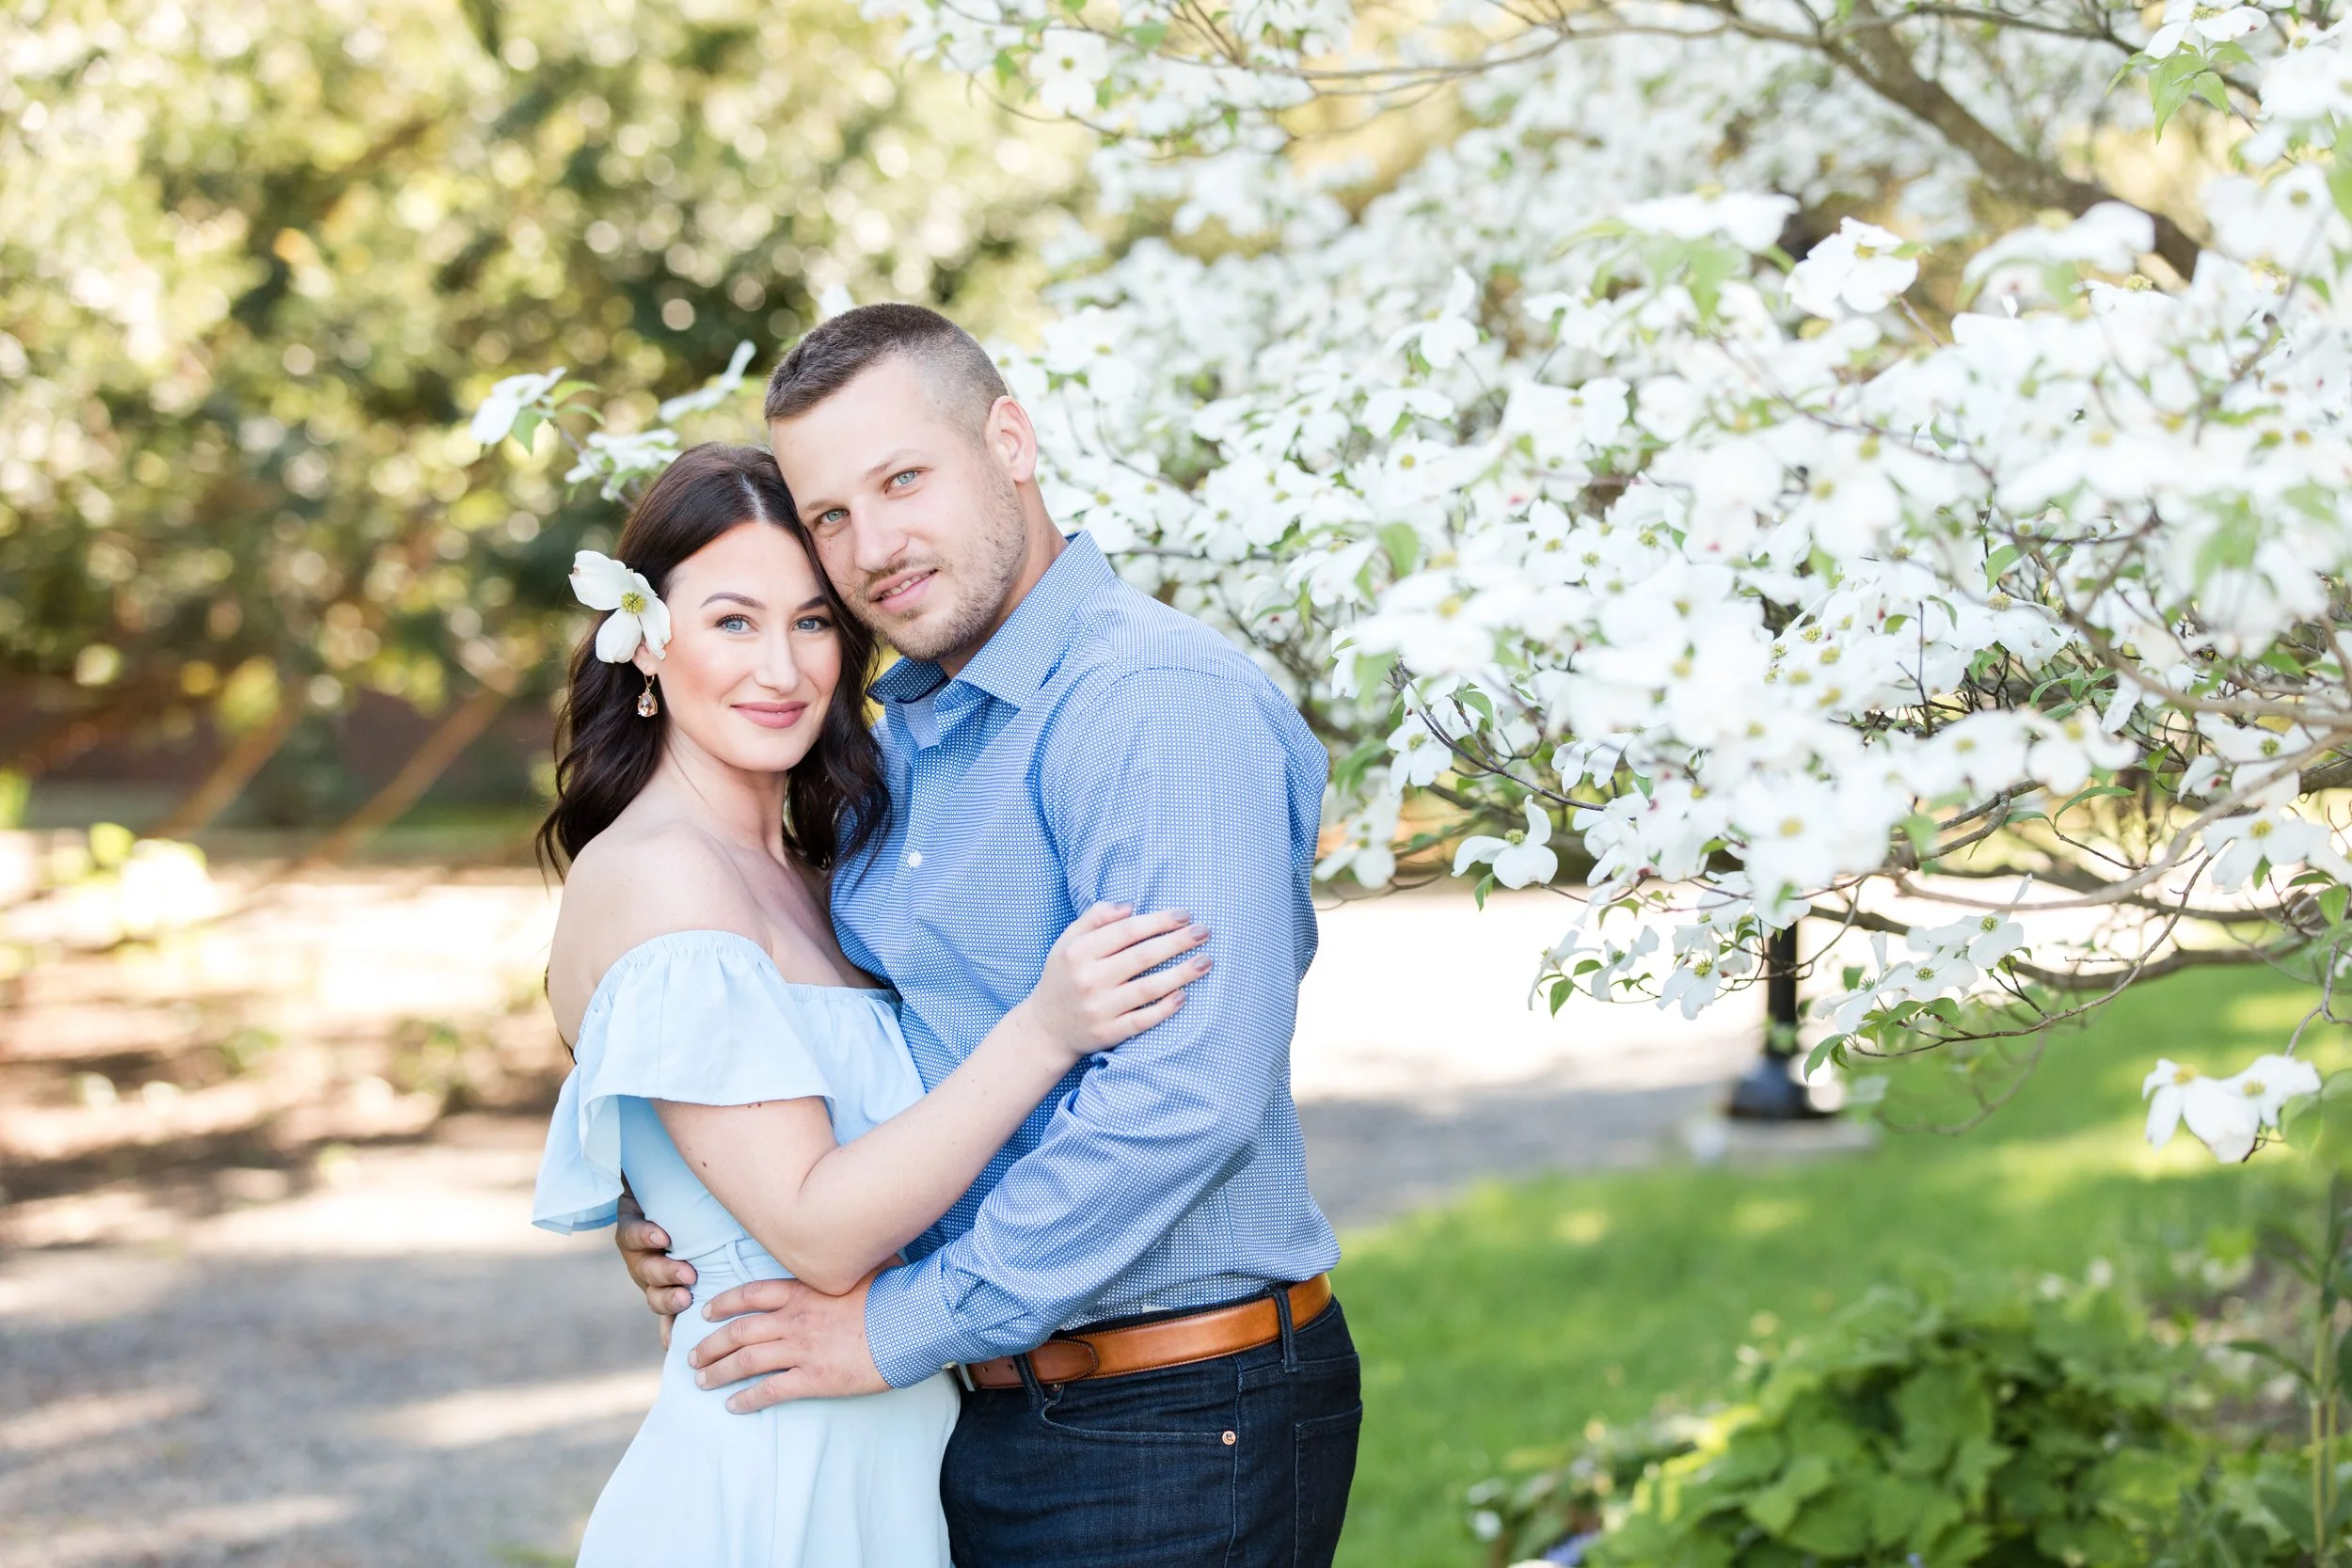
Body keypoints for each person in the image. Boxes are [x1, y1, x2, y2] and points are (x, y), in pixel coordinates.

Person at [615, 305, 1362, 1566]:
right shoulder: (911, 737)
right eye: (831, 515)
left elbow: (1182, 1099)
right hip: (983, 1406)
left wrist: (897, 1323)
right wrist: (690, 1205)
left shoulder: (1151, 709)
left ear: (1009, 439)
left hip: (1171, 1416)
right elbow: (872, 1033)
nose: (872, 545)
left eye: (904, 478)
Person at [531, 441, 1211, 1566]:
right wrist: (1043, 1030)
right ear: (649, 637)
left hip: (892, 1458)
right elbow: (815, 1229)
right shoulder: (660, 872)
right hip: (772, 1473)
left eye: (812, 621)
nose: (783, 667)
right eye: (733, 621)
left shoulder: (815, 870)